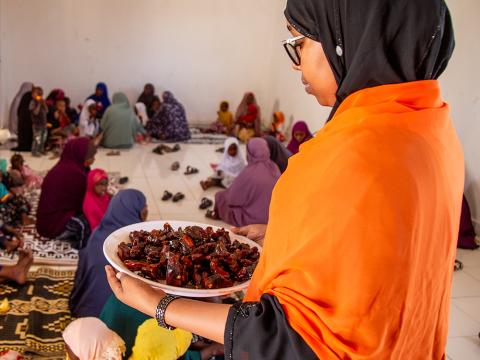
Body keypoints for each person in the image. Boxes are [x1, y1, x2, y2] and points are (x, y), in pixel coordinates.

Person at [104, 0, 462, 359]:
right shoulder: (432, 131)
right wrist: (285, 237)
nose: (296, 63)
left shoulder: (349, 159)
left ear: (349, 38)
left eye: (301, 42)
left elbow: (295, 341)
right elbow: (379, 266)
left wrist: (161, 305)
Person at [70, 189, 147, 318]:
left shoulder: (98, 232)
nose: (146, 210)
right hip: (106, 315)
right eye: (144, 207)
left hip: (83, 305)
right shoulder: (133, 245)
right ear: (136, 211)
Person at [36, 137, 96, 249]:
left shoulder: (73, 165)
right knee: (86, 222)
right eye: (90, 157)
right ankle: (83, 247)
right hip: (52, 224)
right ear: (80, 155)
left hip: (61, 212)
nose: (93, 160)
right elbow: (83, 203)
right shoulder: (72, 174)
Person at [206, 138, 280, 226]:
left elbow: (232, 199)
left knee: (220, 197)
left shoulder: (250, 172)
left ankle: (217, 214)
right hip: (275, 216)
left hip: (255, 220)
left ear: (250, 152)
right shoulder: (274, 167)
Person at [12, 86, 34, 152]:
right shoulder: (29, 96)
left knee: (23, 132)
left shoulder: (21, 97)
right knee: (27, 132)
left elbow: (18, 110)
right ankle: (28, 146)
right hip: (28, 118)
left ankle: (22, 145)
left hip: (21, 118)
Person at [29, 87, 49, 157]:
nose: (38, 95)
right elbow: (35, 113)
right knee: (37, 139)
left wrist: (44, 104)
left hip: (44, 124)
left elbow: (47, 111)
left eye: (40, 94)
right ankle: (34, 151)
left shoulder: (41, 102)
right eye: (36, 93)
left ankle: (41, 150)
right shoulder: (32, 102)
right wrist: (39, 104)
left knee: (43, 138)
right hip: (37, 124)